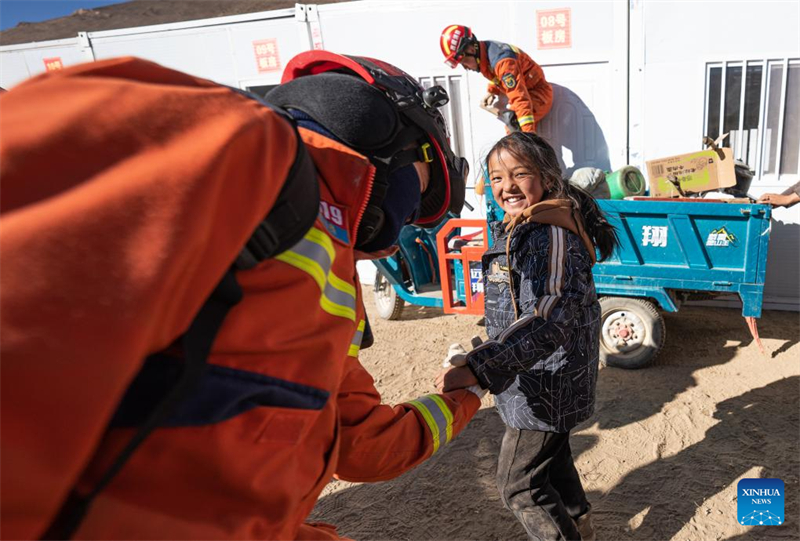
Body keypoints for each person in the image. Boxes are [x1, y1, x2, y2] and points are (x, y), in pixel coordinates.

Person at [0, 52, 482, 540]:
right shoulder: (231, 143)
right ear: (376, 127)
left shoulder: (331, 264)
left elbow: (358, 443)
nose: (405, 223)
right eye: (418, 195)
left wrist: (466, 394)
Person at [436, 132, 619, 541]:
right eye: (496, 177)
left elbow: (550, 318)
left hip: (546, 385)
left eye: (520, 174)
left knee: (519, 485)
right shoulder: (526, 225)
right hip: (535, 374)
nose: (507, 186)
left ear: (547, 178)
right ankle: (580, 524)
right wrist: (489, 349)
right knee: (553, 459)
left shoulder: (550, 234)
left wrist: (480, 368)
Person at [440, 25, 553, 133]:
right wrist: (492, 91)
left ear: (471, 50)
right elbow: (496, 74)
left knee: (514, 126)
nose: (466, 68)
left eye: (464, 62)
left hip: (538, 95)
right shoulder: (485, 51)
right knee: (514, 131)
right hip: (527, 93)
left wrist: (528, 135)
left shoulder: (503, 62)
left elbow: (520, 98)